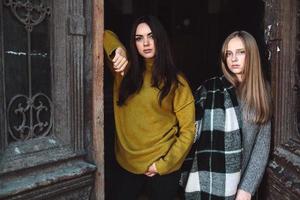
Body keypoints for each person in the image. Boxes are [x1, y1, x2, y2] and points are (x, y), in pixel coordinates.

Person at [103, 15, 195, 200]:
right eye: (139, 38)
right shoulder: (123, 70)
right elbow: (103, 33)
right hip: (125, 165)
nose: (145, 43)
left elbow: (188, 131)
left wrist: (163, 165)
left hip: (161, 168)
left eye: (151, 36)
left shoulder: (177, 82)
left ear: (160, 39)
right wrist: (118, 50)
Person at [181, 31, 272, 200]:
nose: (233, 58)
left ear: (251, 54)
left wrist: (246, 189)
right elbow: (187, 131)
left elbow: (261, 147)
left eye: (240, 52)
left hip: (240, 187)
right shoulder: (209, 90)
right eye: (229, 53)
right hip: (205, 181)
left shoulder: (262, 92)